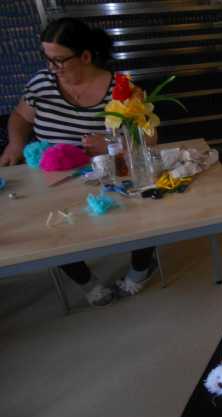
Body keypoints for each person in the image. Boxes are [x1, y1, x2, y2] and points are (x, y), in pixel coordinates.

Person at [0, 17, 155, 305]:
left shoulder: (120, 88)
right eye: (47, 59)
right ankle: (87, 282)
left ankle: (140, 269)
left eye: (59, 61)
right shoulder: (41, 83)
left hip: (109, 173)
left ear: (85, 56)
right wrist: (15, 143)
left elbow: (149, 137)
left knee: (147, 209)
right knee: (47, 225)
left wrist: (110, 144)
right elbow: (20, 116)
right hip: (52, 175)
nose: (52, 68)